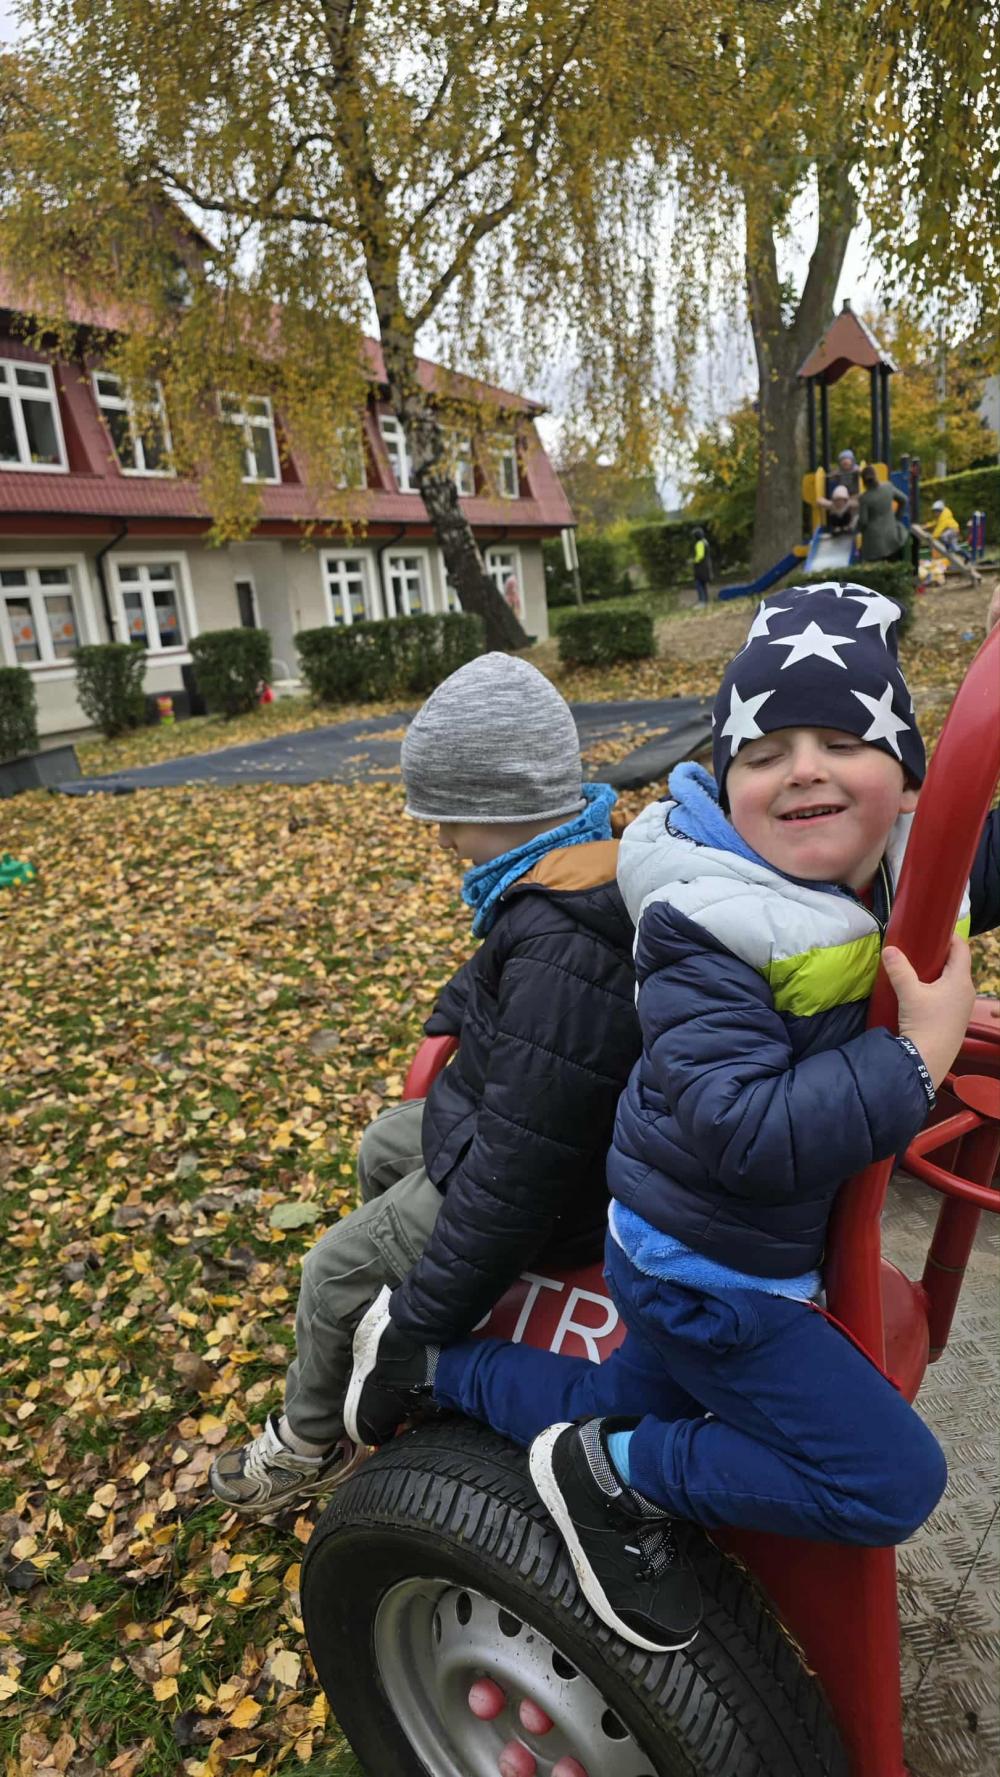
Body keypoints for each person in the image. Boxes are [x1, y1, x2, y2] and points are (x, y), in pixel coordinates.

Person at [345, 585, 995, 1658]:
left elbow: (978, 849)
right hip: (712, 1270)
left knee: (611, 1392)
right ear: (726, 785)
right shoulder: (707, 921)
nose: (805, 769)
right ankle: (616, 1478)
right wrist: (912, 1057)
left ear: (909, 782)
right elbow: (745, 1130)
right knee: (888, 1478)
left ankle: (425, 1367)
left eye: (843, 741)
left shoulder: (877, 864)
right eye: (765, 752)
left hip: (683, 1238)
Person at [209, 653, 641, 1515]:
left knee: (331, 1270)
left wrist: (420, 1322)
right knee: (384, 1142)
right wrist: (457, 1009)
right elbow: (499, 978)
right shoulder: (575, 868)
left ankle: (309, 1439)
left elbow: (518, 1174)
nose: (442, 839)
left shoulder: (561, 947)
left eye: (449, 819)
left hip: (556, 1192)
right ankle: (391, 1310)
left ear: (502, 807)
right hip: (519, 1124)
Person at [857, 464, 908, 562]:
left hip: (873, 543)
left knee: (877, 569)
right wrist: (897, 518)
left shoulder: (864, 498)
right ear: (876, 476)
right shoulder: (888, 487)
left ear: (863, 481)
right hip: (892, 536)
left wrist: (856, 529)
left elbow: (863, 521)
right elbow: (904, 500)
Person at [692, 527, 712, 605]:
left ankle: (702, 601)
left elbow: (700, 556)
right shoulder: (705, 542)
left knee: (698, 583)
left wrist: (693, 561)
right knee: (703, 584)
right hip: (707, 565)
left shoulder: (699, 543)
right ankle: (706, 600)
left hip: (700, 567)